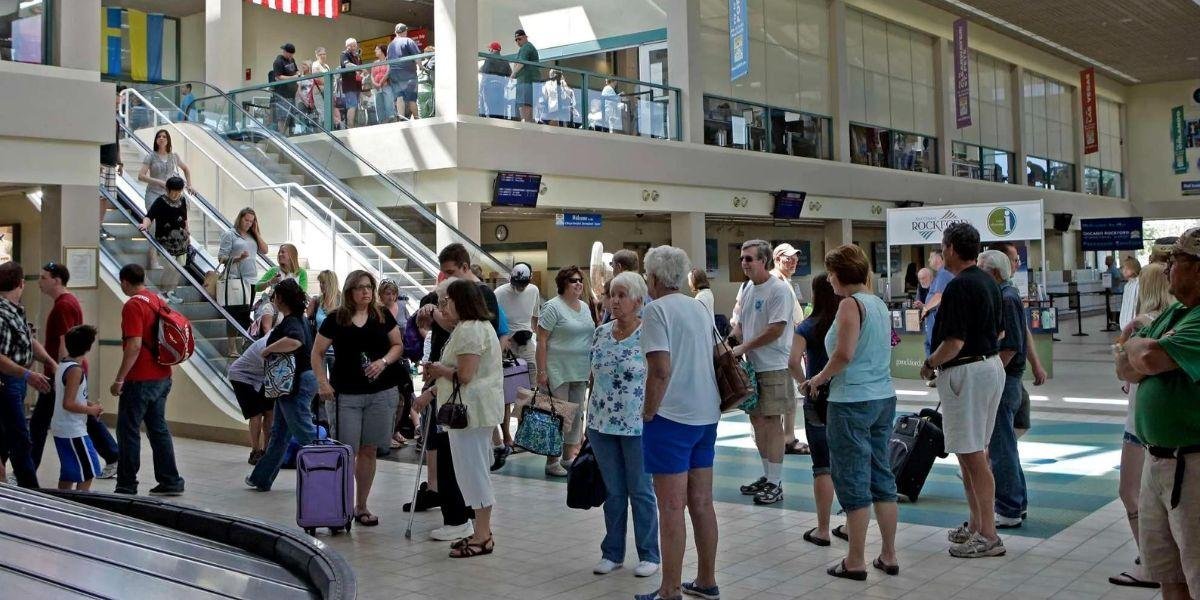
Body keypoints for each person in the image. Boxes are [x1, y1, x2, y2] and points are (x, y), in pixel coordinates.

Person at [803, 245, 899, 580]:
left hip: (851, 401)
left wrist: (817, 379)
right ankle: (888, 554)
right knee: (882, 476)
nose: (828, 279)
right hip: (883, 397)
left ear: (839, 273)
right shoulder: (878, 304)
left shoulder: (849, 304)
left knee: (853, 478)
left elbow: (843, 354)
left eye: (830, 273)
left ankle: (855, 559)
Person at [1116, 228, 1200, 600]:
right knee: (1169, 573)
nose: (1167, 270)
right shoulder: (1177, 313)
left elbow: (1145, 357)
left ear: (1197, 269)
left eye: (1175, 261)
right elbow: (1126, 368)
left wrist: (1138, 346)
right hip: (1159, 460)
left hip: (1192, 465)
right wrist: (1141, 348)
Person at [637, 245, 720, 600]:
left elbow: (660, 370)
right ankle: (706, 580)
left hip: (671, 417)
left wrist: (648, 411)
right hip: (707, 414)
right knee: (702, 502)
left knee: (671, 506)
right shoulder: (699, 307)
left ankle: (669, 589)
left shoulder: (655, 311)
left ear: (653, 278)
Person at [406, 244, 505, 538]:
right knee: (467, 471)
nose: (442, 307)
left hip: (472, 412)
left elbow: (464, 375)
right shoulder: (465, 328)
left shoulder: (472, 329)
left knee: (473, 473)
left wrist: (437, 371)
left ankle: (481, 533)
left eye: (446, 301)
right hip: (465, 409)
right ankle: (476, 531)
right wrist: (432, 390)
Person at [919, 223, 1006, 558]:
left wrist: (929, 363)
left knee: (972, 456)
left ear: (952, 248)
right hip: (989, 367)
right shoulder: (989, 281)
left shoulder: (957, 288)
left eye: (943, 246)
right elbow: (998, 333)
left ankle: (988, 533)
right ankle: (975, 523)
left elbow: (953, 342)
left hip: (966, 371)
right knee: (973, 452)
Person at [311, 270, 403, 526]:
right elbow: (317, 353)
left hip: (379, 392)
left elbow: (397, 345)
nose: (366, 292)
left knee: (369, 449)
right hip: (346, 394)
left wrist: (383, 362)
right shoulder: (336, 319)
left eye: (369, 287)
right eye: (360, 287)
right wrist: (322, 382)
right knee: (346, 451)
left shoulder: (382, 316)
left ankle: (361, 505)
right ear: (350, 291)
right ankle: (341, 505)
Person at [588, 271, 660, 578]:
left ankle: (649, 553)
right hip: (600, 423)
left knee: (641, 491)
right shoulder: (601, 333)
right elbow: (593, 377)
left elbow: (660, 375)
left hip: (636, 423)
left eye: (621, 295)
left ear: (638, 301)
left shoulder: (649, 334)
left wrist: (654, 412)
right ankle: (612, 552)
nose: (614, 301)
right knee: (613, 491)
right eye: (611, 295)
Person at [1110, 261, 1171, 590]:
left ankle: (1150, 562)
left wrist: (1124, 348)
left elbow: (1124, 367)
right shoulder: (1180, 322)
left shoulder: (1141, 325)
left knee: (1132, 492)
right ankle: (1160, 557)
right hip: (1162, 425)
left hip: (1141, 423)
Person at [30, 262, 118, 478]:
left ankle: (28, 468)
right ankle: (113, 454)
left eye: (43, 278)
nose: (39, 282)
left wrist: (60, 369)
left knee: (39, 422)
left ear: (56, 280)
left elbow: (64, 341)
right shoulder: (65, 302)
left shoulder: (63, 306)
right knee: (61, 417)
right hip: (66, 370)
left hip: (62, 371)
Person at [111, 263, 185, 496]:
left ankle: (126, 484)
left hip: (139, 378)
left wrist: (120, 378)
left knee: (128, 431)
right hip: (163, 375)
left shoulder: (133, 305)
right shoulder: (156, 299)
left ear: (124, 282)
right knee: (158, 428)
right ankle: (170, 480)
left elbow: (133, 345)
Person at [730, 239, 795, 505]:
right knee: (756, 421)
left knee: (771, 422)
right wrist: (731, 341)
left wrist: (744, 345)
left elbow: (776, 329)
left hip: (773, 367)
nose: (744, 263)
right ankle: (768, 475)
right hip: (751, 367)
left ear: (764, 261)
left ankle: (776, 482)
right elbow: (742, 324)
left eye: (749, 259)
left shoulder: (778, 290)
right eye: (742, 258)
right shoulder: (747, 288)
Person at [246, 279, 320, 491]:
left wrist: (268, 350)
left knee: (304, 432)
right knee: (279, 433)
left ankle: (330, 468)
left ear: (280, 298)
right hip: (299, 381)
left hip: (294, 384)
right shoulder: (302, 319)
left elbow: (295, 342)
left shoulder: (291, 322)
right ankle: (261, 477)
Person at [787, 274, 840, 547]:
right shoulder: (847, 322)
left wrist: (804, 384)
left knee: (822, 466)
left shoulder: (808, 326)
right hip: (846, 397)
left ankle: (823, 528)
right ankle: (854, 524)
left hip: (817, 399)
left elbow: (793, 361)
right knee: (849, 462)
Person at [977, 250, 1028, 531]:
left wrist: (992, 375)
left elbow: (1010, 346)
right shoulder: (1006, 294)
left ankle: (1008, 507)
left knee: (1000, 445)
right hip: (1008, 377)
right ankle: (1017, 502)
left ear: (993, 272)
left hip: (1006, 379)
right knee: (1005, 443)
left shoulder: (1006, 298)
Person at [0, 261, 57, 489]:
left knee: (5, 440)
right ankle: (31, 491)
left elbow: (29, 341)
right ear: (21, 283)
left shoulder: (17, 310)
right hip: (6, 383)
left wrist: (50, 361)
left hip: (16, 382)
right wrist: (27, 375)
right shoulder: (2, 314)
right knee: (20, 440)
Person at [536, 265, 596, 475]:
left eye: (580, 280)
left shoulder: (585, 307)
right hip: (557, 370)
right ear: (563, 284)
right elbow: (541, 340)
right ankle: (551, 461)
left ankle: (568, 457)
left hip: (580, 370)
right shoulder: (553, 307)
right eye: (573, 280)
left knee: (576, 414)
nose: (578, 283)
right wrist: (541, 371)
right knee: (557, 416)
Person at [492, 262, 540, 462]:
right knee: (505, 391)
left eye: (522, 285)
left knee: (528, 389)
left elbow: (535, 318)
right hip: (506, 342)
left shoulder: (534, 291)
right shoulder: (499, 293)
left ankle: (521, 433)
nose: (518, 288)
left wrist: (531, 334)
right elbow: (494, 321)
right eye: (516, 284)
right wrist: (505, 340)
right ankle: (506, 435)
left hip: (526, 341)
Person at [51, 325, 105, 490]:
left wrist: (89, 404)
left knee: (69, 472)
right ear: (88, 347)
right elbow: (68, 403)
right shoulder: (75, 370)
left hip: (61, 427)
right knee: (89, 470)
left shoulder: (63, 365)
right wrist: (92, 410)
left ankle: (61, 506)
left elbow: (71, 396)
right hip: (72, 430)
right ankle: (79, 507)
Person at [770, 243, 807, 456]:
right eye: (788, 258)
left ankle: (788, 436)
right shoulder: (775, 282)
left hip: (789, 345)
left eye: (795, 258)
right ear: (776, 259)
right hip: (782, 349)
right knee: (786, 396)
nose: (793, 261)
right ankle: (785, 438)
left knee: (790, 396)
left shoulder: (785, 282)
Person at [218, 207, 268, 352]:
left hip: (250, 279)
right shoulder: (230, 234)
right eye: (246, 220)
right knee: (234, 313)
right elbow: (221, 257)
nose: (248, 223)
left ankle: (243, 346)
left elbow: (264, 250)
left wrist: (257, 232)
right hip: (235, 279)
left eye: (251, 221)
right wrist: (238, 258)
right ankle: (232, 348)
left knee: (246, 313)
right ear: (240, 218)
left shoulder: (253, 235)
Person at [139, 176, 190, 304]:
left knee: (178, 269)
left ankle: (171, 291)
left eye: (178, 191)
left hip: (181, 242)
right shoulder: (160, 201)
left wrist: (188, 233)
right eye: (173, 191)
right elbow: (149, 216)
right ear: (167, 189)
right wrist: (145, 225)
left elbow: (184, 219)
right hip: (164, 242)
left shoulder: (183, 200)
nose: (176, 194)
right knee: (170, 268)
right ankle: (162, 292)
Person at [229, 335, 274, 466]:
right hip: (241, 376)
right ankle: (255, 451)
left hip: (261, 378)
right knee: (256, 414)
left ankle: (267, 449)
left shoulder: (278, 339)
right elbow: (272, 370)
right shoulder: (265, 345)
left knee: (270, 412)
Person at [137, 129, 194, 207]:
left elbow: (186, 169)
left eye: (164, 137)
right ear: (156, 140)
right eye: (159, 136)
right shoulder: (150, 157)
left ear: (168, 140)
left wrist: (189, 185)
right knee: (154, 217)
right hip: (153, 193)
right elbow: (141, 176)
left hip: (170, 195)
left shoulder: (174, 156)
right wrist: (160, 182)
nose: (161, 138)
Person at [922, 249, 954, 357]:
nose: (928, 259)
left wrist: (925, 309)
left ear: (939, 258)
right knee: (929, 345)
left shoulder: (944, 273)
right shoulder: (940, 274)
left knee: (935, 348)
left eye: (931, 257)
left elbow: (939, 296)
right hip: (933, 318)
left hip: (936, 318)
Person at [388, 23, 422, 120]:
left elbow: (388, 61)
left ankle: (402, 119)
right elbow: (417, 57)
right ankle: (416, 118)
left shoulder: (391, 44)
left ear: (395, 32)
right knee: (412, 98)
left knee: (399, 97)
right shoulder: (408, 41)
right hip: (409, 75)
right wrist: (421, 67)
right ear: (405, 31)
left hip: (394, 75)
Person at [510, 29, 539, 123]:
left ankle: (526, 127)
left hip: (526, 82)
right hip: (528, 82)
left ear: (525, 37)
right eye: (516, 40)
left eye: (519, 39)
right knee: (529, 108)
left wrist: (512, 75)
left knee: (524, 107)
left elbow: (521, 63)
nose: (518, 41)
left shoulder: (526, 47)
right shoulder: (527, 47)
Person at [271, 43, 300, 133]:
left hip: (292, 93)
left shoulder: (292, 60)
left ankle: (289, 134)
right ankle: (282, 135)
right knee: (282, 117)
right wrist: (293, 77)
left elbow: (296, 70)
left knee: (291, 117)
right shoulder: (278, 62)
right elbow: (278, 77)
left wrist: (298, 74)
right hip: (282, 93)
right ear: (285, 52)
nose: (291, 56)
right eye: (289, 54)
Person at [479, 41, 511, 119]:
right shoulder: (505, 60)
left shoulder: (489, 58)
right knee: (499, 109)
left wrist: (481, 87)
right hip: (501, 88)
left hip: (490, 87)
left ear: (492, 50)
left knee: (490, 109)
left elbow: (485, 74)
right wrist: (504, 83)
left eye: (489, 49)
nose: (489, 51)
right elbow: (510, 74)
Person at [311, 47, 341, 128]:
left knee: (331, 110)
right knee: (323, 111)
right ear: (317, 55)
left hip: (328, 90)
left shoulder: (326, 66)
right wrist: (328, 83)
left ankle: (332, 128)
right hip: (319, 91)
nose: (323, 56)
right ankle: (324, 130)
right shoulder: (315, 64)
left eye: (324, 54)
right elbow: (317, 79)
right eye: (320, 54)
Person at [340, 38, 363, 128]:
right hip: (349, 85)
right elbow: (347, 64)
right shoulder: (344, 54)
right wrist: (359, 68)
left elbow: (360, 68)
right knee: (352, 105)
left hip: (357, 85)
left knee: (356, 106)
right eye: (351, 45)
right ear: (347, 46)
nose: (354, 47)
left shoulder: (357, 56)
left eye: (355, 45)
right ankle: (351, 127)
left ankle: (354, 126)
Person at [369, 45, 394, 124]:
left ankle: (390, 119)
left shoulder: (388, 60)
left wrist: (381, 82)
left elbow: (388, 72)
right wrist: (375, 83)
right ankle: (381, 121)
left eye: (377, 49)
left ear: (382, 50)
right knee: (378, 105)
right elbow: (372, 75)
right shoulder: (375, 63)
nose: (375, 51)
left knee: (388, 103)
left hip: (386, 85)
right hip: (376, 87)